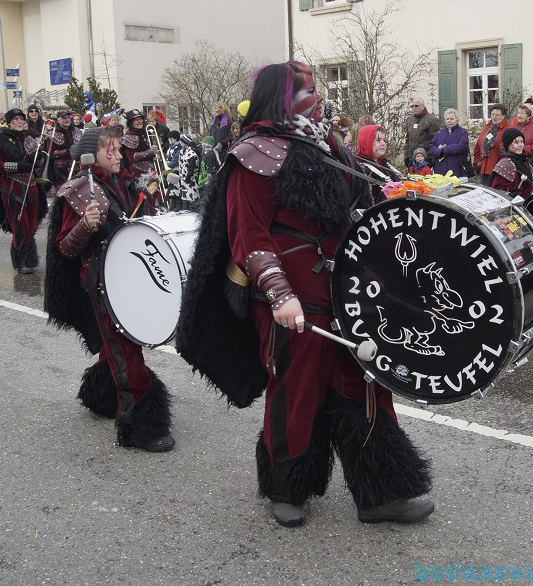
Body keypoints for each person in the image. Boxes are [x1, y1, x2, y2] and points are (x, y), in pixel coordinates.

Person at [175, 61, 433, 528]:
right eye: (308, 90)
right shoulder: (253, 154)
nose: (318, 99)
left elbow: (363, 199)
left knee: (365, 387)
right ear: (281, 96)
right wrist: (279, 295)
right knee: (296, 390)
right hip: (293, 299)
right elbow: (248, 237)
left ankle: (380, 493)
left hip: (348, 294)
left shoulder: (325, 145)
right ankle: (286, 486)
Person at [44, 126, 175, 452]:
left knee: (116, 346)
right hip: (102, 283)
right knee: (125, 350)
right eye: (111, 151)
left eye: (118, 149)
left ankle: (101, 393)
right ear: (94, 156)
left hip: (127, 276)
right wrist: (83, 227)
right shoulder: (78, 191)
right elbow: (66, 249)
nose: (118, 155)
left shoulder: (126, 181)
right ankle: (137, 425)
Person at [0, 109, 45, 274]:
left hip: (31, 185)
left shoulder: (29, 138)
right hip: (11, 186)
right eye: (16, 119)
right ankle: (22, 260)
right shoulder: (0, 139)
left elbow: (38, 161)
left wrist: (39, 157)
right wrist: (20, 167)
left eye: (22, 119)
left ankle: (30, 257)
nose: (20, 122)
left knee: (33, 223)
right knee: (20, 224)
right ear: (9, 122)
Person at [472, 104, 512, 186]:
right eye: (492, 114)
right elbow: (478, 147)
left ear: (504, 116)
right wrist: (476, 163)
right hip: (484, 169)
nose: (494, 117)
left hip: (499, 170)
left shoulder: (508, 129)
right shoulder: (487, 127)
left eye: (497, 115)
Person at [491, 127, 533, 198]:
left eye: (521, 142)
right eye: (516, 142)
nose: (520, 145)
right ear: (508, 144)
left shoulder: (523, 160)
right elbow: (498, 191)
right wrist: (511, 196)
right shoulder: (505, 162)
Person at [428, 108, 469, 177]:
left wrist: (445, 149)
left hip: (456, 169)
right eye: (447, 119)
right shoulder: (440, 133)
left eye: (451, 119)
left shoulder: (462, 132)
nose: (449, 121)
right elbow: (432, 146)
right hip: (440, 170)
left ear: (457, 119)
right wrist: (439, 152)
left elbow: (463, 146)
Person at [49, 110, 83, 190]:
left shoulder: (77, 131)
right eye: (64, 118)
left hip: (77, 169)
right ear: (58, 120)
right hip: (60, 171)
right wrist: (67, 151)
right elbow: (51, 155)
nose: (67, 120)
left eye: (68, 117)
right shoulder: (53, 134)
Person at [404, 97, 441, 166]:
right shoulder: (410, 120)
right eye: (412, 106)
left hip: (426, 159)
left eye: (416, 106)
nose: (414, 108)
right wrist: (406, 156)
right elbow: (407, 140)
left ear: (423, 106)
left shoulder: (432, 120)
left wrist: (432, 159)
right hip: (412, 159)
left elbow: (436, 141)